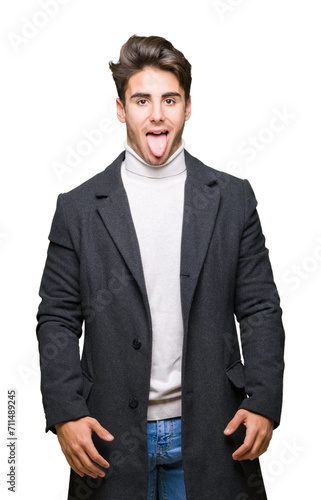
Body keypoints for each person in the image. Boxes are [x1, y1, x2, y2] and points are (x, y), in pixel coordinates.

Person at [36, 34, 285, 500]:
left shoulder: (232, 199)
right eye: (141, 100)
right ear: (120, 108)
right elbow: (57, 318)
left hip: (215, 433)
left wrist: (265, 401)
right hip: (108, 438)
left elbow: (259, 308)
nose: (156, 114)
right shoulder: (78, 208)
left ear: (187, 107)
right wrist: (65, 411)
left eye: (169, 99)